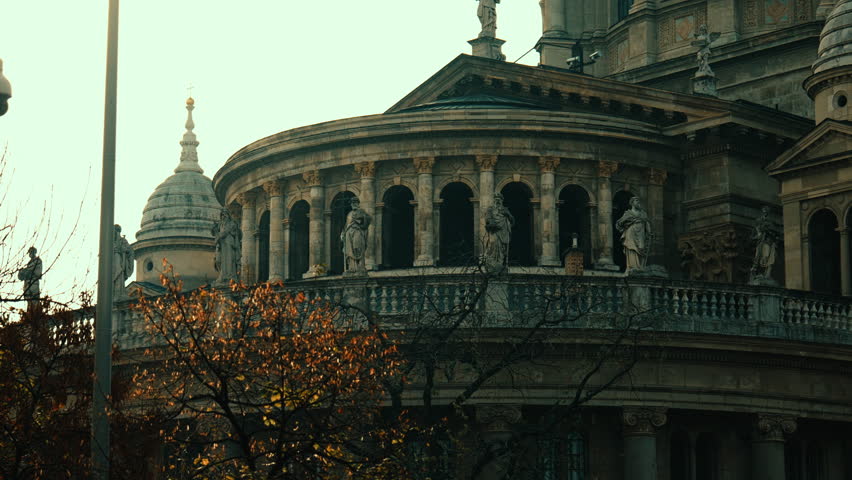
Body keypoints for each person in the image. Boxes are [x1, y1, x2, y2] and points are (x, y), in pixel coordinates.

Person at [615, 196, 651, 274]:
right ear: (632, 203)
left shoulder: (643, 213)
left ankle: (640, 267)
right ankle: (632, 266)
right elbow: (620, 222)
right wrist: (627, 221)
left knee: (641, 248)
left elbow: (647, 223)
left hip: (641, 234)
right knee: (631, 248)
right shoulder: (628, 213)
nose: (638, 202)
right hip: (630, 233)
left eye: (639, 201)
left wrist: (649, 233)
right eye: (636, 201)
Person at [341, 197, 371, 275]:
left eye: (355, 202)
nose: (353, 204)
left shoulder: (361, 211)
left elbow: (368, 219)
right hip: (348, 232)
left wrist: (360, 221)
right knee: (349, 250)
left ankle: (360, 267)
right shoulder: (349, 213)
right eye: (352, 203)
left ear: (358, 203)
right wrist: (343, 233)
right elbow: (346, 225)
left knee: (358, 247)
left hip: (357, 231)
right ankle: (352, 268)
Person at [484, 192, 514, 271]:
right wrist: (492, 224)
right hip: (494, 231)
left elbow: (512, 221)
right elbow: (487, 219)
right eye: (496, 199)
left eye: (499, 200)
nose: (497, 201)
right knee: (492, 244)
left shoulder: (505, 209)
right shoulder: (490, 209)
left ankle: (501, 264)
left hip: (504, 232)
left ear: (502, 201)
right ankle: (492, 263)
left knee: (503, 248)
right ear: (494, 200)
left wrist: (508, 215)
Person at [213, 208, 241, 284]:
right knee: (219, 260)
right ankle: (222, 275)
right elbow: (214, 232)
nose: (223, 216)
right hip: (221, 245)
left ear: (228, 215)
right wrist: (215, 229)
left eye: (225, 214)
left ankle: (229, 276)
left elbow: (226, 231)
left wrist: (218, 236)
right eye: (222, 215)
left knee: (229, 260)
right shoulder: (220, 224)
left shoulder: (232, 223)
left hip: (229, 243)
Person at [750, 206, 777, 282]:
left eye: (766, 211)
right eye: (764, 211)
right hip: (760, 242)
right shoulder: (758, 221)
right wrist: (757, 235)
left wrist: (768, 232)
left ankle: (766, 274)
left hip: (767, 242)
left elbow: (774, 233)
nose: (765, 212)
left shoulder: (771, 222)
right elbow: (753, 235)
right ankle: (756, 272)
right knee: (757, 257)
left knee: (766, 257)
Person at [113, 225, 134, 300]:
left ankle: (118, 293)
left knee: (119, 274)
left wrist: (124, 250)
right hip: (112, 261)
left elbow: (130, 251)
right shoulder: (109, 242)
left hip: (118, 259)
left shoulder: (122, 241)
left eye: (115, 231)